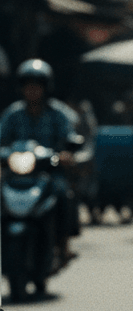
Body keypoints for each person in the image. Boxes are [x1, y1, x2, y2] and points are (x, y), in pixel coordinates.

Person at [0, 59, 80, 261]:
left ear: (45, 87)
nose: (32, 90)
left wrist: (66, 154)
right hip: (17, 172)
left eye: (37, 86)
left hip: (48, 172)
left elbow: (69, 137)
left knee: (63, 194)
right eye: (28, 85)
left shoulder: (59, 114)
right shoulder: (12, 114)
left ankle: (63, 244)